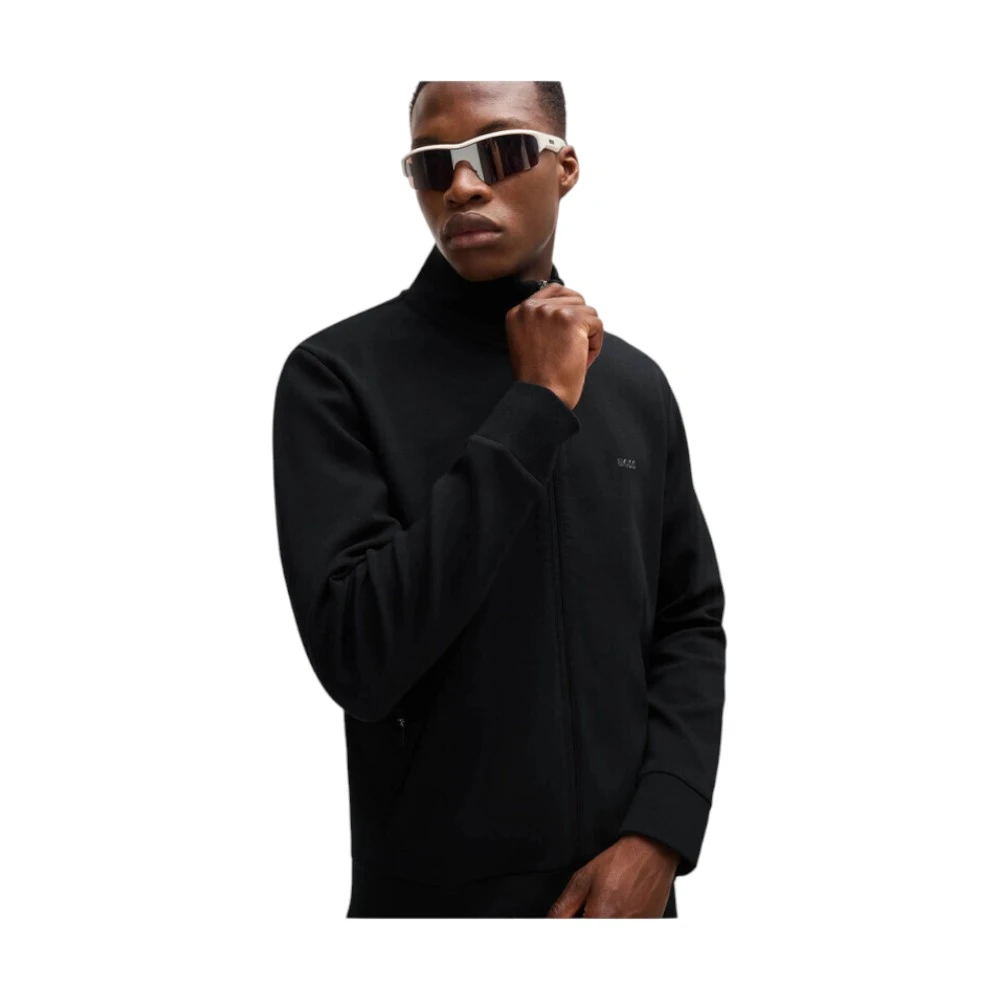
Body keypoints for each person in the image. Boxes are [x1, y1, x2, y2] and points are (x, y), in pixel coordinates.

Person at [271, 81, 727, 918]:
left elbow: (688, 620)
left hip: (629, 905)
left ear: (566, 167)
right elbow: (361, 657)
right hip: (432, 917)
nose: (462, 186)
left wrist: (661, 835)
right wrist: (536, 407)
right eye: (432, 164)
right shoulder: (336, 378)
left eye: (502, 150)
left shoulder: (634, 385)